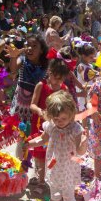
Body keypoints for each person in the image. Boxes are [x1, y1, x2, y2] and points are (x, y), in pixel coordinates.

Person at [27, 90, 88, 201]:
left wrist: (84, 143)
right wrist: (28, 144)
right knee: (54, 197)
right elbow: (42, 139)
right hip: (53, 169)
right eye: (56, 118)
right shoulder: (50, 126)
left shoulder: (75, 129)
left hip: (67, 170)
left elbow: (80, 152)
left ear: (72, 114)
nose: (59, 121)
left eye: (63, 118)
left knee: (69, 200)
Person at [29, 49, 70, 185]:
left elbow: (68, 107)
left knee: (53, 152)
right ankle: (40, 179)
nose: (59, 81)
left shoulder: (64, 89)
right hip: (40, 123)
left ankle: (50, 177)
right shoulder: (41, 85)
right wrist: (41, 112)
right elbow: (32, 105)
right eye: (56, 77)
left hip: (57, 125)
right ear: (50, 73)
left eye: (62, 78)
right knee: (40, 151)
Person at [8, 34, 49, 157]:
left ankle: (35, 163)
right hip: (20, 104)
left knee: (35, 134)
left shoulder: (47, 66)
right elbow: (13, 70)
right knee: (21, 134)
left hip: (36, 105)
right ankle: (21, 163)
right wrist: (13, 57)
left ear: (42, 50)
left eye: (34, 46)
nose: (30, 48)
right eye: (28, 45)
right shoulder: (22, 60)